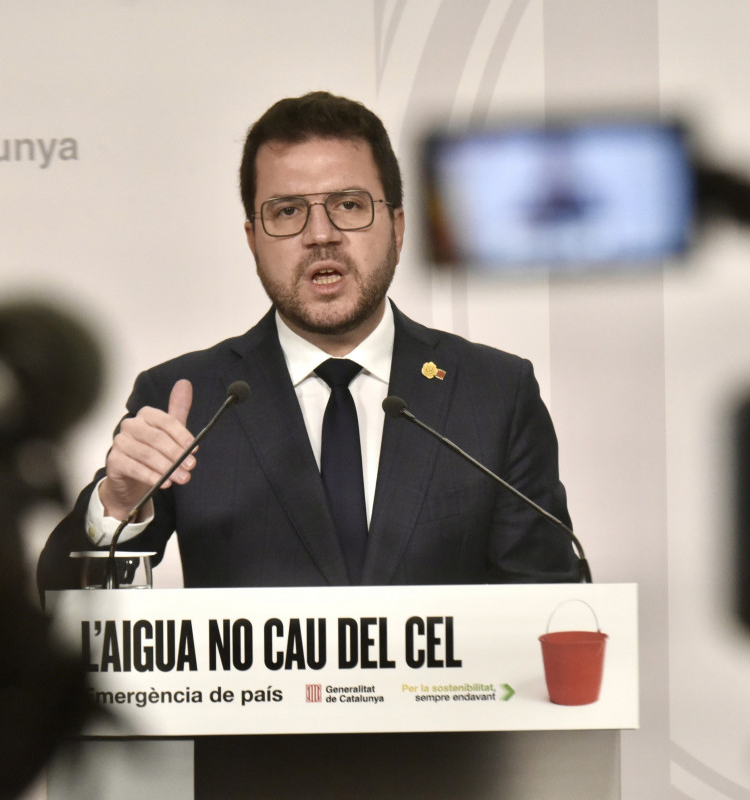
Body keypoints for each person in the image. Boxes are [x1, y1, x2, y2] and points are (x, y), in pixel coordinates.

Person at [37, 91, 578, 592]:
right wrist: (119, 501)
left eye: (348, 204)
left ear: (397, 225)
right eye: (288, 211)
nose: (320, 234)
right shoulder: (188, 398)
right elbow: (63, 601)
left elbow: (550, 605)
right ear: (253, 239)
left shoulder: (493, 394)